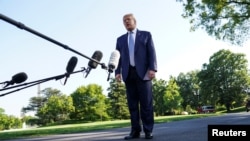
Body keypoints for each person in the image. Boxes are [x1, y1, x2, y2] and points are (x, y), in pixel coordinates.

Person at [115, 13, 157, 140]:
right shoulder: (120, 39)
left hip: (144, 74)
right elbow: (117, 57)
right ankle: (135, 131)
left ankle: (148, 130)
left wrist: (152, 69)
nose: (126, 22)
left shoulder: (146, 35)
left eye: (128, 20)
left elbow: (152, 52)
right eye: (124, 21)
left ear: (134, 21)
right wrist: (117, 72)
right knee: (132, 105)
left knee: (146, 104)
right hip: (128, 74)